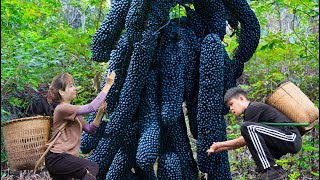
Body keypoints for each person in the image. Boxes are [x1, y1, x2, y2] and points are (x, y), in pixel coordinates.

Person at [207, 87, 302, 180]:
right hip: (285, 139)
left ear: (241, 98)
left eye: (231, 104)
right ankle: (272, 169)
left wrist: (219, 145)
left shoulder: (253, 108)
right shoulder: (251, 112)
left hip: (291, 138)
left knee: (246, 127)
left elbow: (242, 140)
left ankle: (271, 168)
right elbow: (246, 140)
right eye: (229, 107)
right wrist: (219, 148)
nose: (231, 109)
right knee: (249, 132)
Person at [45, 70, 116, 180]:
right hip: (58, 158)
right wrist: (107, 85)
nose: (74, 89)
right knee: (92, 167)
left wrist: (100, 112)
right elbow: (91, 107)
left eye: (73, 85)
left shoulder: (72, 112)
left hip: (62, 159)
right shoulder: (62, 108)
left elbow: (90, 129)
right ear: (62, 92)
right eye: (70, 86)